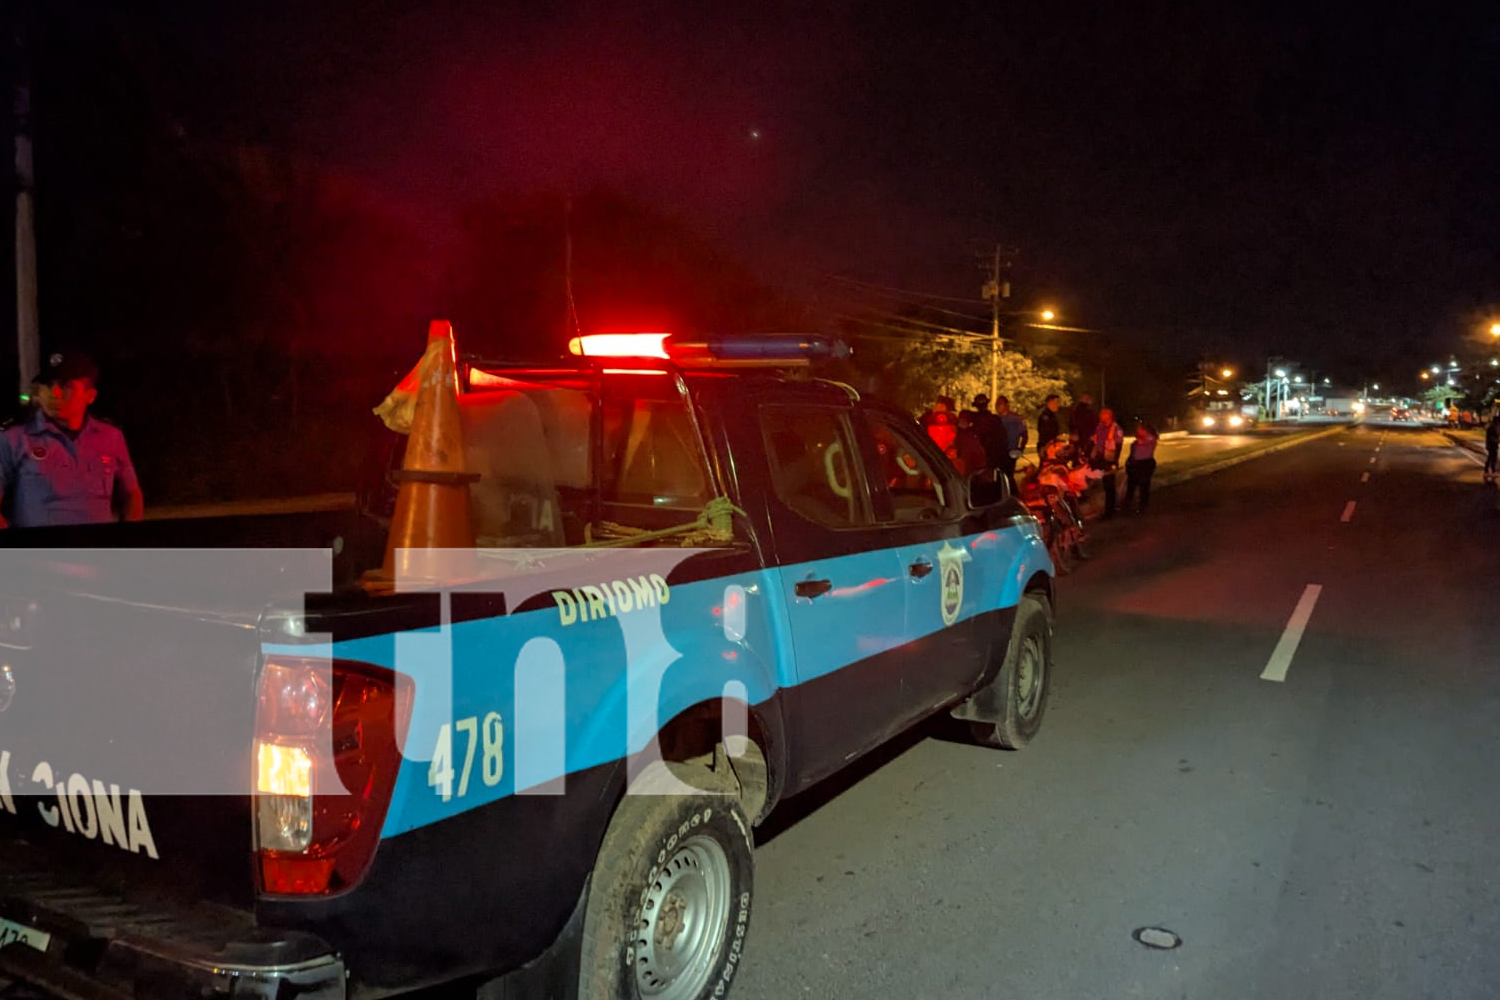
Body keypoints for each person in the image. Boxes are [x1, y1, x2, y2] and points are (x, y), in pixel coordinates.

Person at [0, 352, 144, 528]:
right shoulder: (14, 438)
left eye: (66, 386)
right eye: (47, 385)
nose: (54, 393)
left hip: (97, 552)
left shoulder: (110, 437)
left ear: (90, 396)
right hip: (40, 553)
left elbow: (132, 495)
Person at [926, 399, 986, 477]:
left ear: (952, 434)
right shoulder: (921, 445)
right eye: (934, 433)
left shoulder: (968, 442)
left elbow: (981, 467)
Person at [1089, 407, 1125, 519]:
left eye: (1102, 415)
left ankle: (1110, 511)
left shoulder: (1116, 429)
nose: (1100, 417)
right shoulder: (1100, 427)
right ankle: (1109, 509)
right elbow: (1095, 441)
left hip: (1110, 461)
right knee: (1105, 484)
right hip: (1101, 459)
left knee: (1109, 486)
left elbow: (1118, 447)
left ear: (1109, 416)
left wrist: (1115, 462)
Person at [1124, 420, 1160, 513]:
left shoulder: (1151, 438)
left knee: (1144, 486)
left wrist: (1140, 437)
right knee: (1131, 486)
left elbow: (1144, 441)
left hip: (1145, 464)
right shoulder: (1137, 441)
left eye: (1140, 429)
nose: (1138, 430)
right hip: (1135, 464)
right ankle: (1127, 505)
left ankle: (1143, 506)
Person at [967, 393, 1009, 473]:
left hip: (979, 461)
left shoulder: (973, 421)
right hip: (994, 459)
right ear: (987, 404)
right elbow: (1004, 440)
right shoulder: (995, 419)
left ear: (976, 406)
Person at [994, 396, 1028, 476]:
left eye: (1000, 404)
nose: (998, 407)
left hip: (1011, 451)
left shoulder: (1016, 419)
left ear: (1006, 405)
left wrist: (1020, 449)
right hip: (998, 452)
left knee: (1008, 475)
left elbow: (1024, 435)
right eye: (997, 404)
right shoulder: (995, 420)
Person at [1486, 411, 1500, 483]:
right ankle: (1493, 471)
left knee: (1490, 457)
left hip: (1491, 444)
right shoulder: (1493, 427)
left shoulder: (1492, 426)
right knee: (1493, 458)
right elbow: (1492, 437)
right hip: (1492, 444)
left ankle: (1486, 470)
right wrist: (1497, 441)